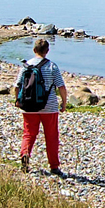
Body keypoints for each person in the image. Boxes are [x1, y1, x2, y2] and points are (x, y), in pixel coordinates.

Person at [15, 38, 67, 176]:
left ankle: (25, 156)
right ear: (47, 51)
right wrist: (64, 102)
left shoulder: (26, 66)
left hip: (28, 106)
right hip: (49, 107)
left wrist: (18, 101)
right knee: (51, 136)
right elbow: (61, 86)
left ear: (34, 50)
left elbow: (17, 86)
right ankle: (54, 166)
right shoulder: (52, 67)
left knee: (28, 133)